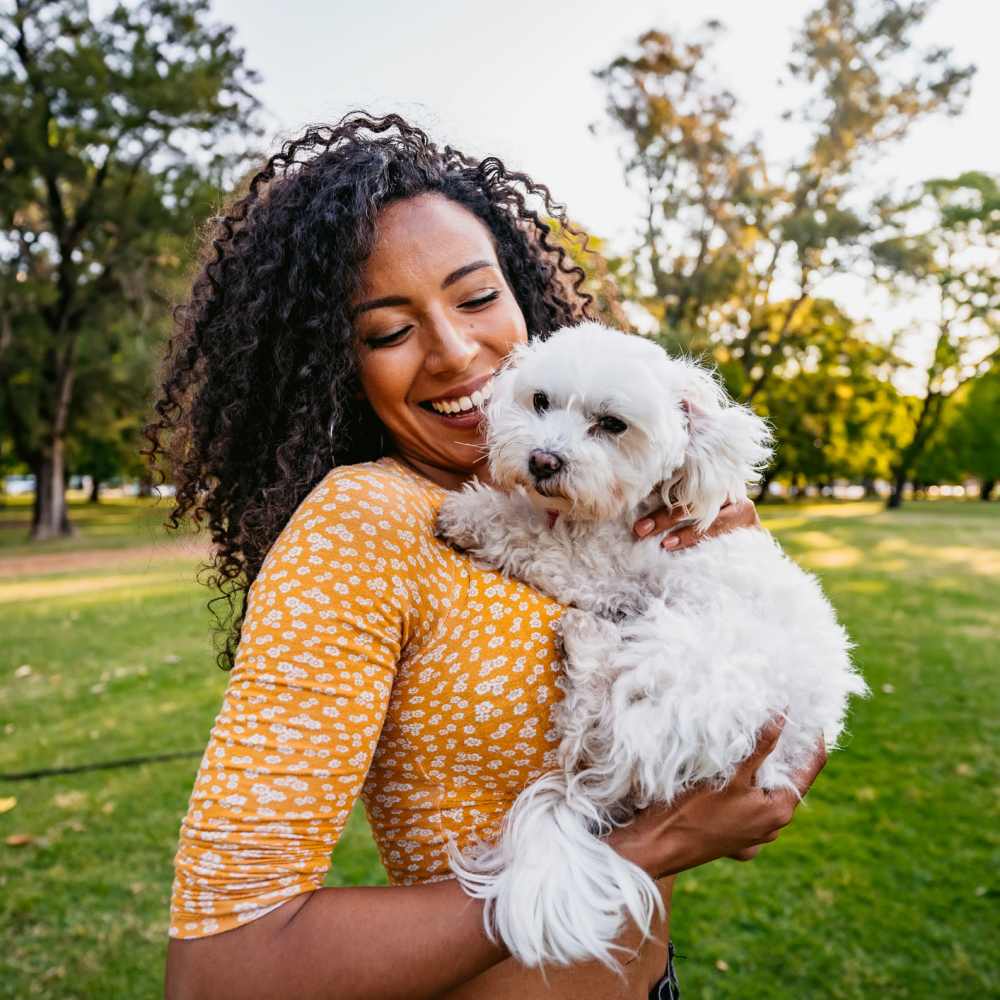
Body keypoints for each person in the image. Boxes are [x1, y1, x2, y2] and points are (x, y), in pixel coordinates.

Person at [150, 112, 827, 1000]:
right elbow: (221, 969)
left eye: (476, 299)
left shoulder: (603, 501)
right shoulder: (364, 523)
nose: (459, 352)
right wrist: (653, 846)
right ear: (330, 363)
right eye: (388, 331)